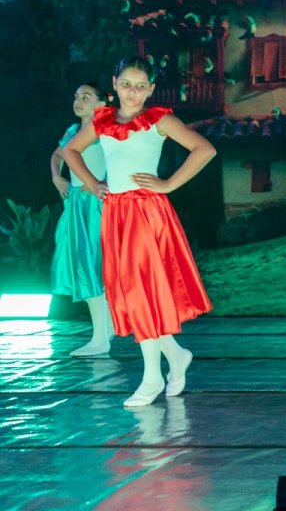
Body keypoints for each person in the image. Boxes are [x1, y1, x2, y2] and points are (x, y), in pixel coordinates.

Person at [63, 56, 215, 407]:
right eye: (126, 84)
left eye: (140, 86)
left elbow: (205, 149)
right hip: (116, 212)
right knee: (132, 292)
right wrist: (93, 184)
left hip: (147, 214)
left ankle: (151, 377)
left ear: (150, 89)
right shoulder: (102, 121)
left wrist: (168, 184)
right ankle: (175, 355)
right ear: (114, 84)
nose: (133, 92)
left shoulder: (158, 119)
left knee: (142, 292)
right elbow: (70, 151)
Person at [50, 83, 115, 357]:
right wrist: (57, 176)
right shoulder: (73, 131)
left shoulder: (106, 130)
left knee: (95, 267)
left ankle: (102, 335)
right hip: (76, 204)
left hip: (96, 205)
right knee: (83, 267)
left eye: (85, 97)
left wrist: (101, 184)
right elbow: (57, 155)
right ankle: (103, 331)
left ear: (100, 104)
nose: (78, 101)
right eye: (77, 96)